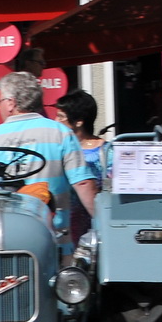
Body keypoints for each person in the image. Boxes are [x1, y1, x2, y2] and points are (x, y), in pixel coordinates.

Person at [0, 71, 99, 238]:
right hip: (51, 239)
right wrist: (104, 226)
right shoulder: (61, 134)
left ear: (11, 103)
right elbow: (83, 183)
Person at [53, 91, 110, 242]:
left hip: (94, 226)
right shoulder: (58, 148)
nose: (55, 121)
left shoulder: (107, 152)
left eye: (60, 117)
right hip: (63, 225)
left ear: (79, 121)